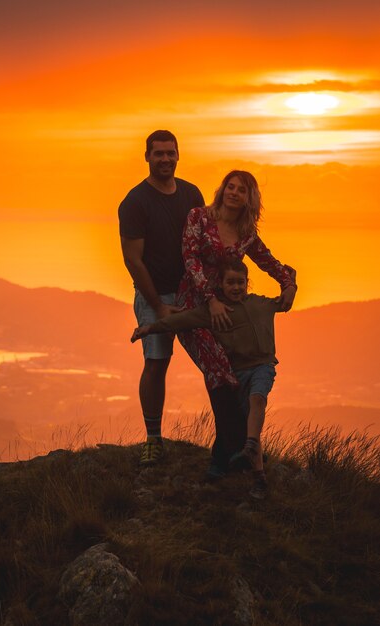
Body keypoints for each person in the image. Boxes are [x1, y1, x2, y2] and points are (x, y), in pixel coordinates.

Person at [175, 170, 297, 477]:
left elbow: (267, 260)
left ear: (249, 198)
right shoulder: (199, 218)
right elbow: (190, 260)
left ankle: (240, 453)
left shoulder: (246, 233)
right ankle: (223, 458)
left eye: (241, 190)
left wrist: (289, 285)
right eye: (230, 187)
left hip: (227, 313)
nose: (233, 193)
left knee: (235, 378)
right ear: (222, 189)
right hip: (195, 307)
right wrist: (210, 299)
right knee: (220, 373)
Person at [132, 256, 286, 498]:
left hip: (263, 368)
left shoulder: (259, 304)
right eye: (231, 283)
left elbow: (284, 303)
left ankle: (251, 446)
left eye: (241, 282)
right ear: (220, 285)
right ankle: (258, 476)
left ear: (248, 283)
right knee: (249, 419)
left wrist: (291, 283)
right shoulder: (213, 312)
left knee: (258, 401)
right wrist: (149, 328)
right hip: (238, 372)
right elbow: (183, 320)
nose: (236, 287)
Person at [118, 130, 204, 466]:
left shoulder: (191, 194)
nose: (165, 159)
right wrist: (157, 306)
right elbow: (133, 260)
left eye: (170, 153)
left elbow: (203, 242)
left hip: (190, 294)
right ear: (147, 157)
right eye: (158, 154)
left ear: (179, 155)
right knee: (156, 363)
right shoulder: (135, 202)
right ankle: (153, 439)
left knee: (214, 364)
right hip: (154, 295)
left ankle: (231, 441)